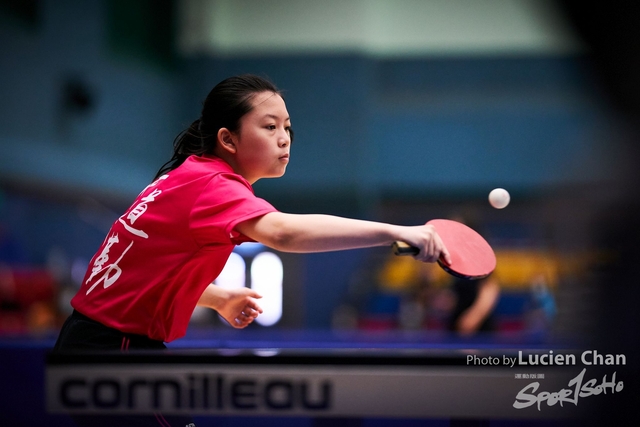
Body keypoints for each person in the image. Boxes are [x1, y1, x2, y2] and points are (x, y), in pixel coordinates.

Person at [53, 74, 449, 426]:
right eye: (269, 126)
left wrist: (215, 296)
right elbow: (284, 233)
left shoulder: (182, 177)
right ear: (228, 139)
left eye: (288, 128)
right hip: (116, 350)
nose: (284, 138)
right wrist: (396, 230)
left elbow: (136, 273)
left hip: (92, 343)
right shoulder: (212, 185)